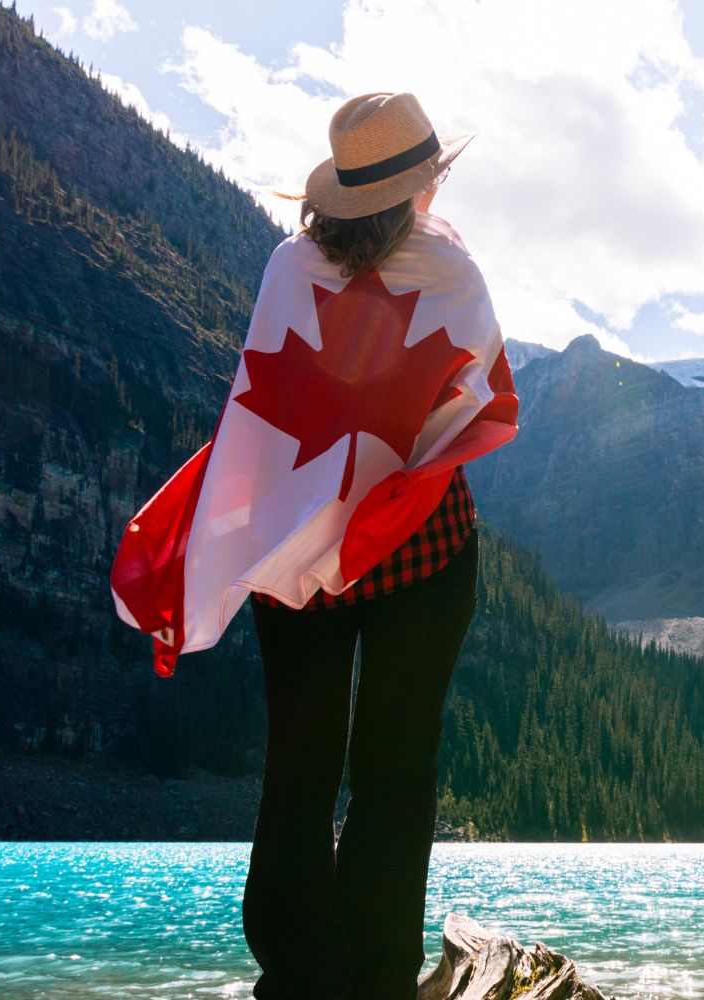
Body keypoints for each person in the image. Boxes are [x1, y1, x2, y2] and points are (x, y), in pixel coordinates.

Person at [239, 93, 517, 1000]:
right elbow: (478, 399)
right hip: (421, 550)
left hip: (292, 555)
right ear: (424, 182)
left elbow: (260, 415)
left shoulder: (288, 266)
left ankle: (294, 974)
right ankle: (378, 975)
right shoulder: (451, 270)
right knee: (397, 768)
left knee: (299, 761)